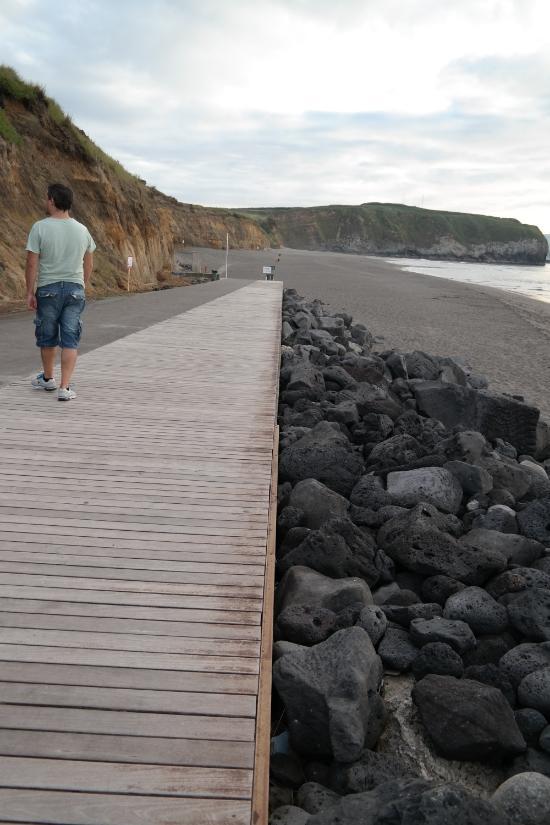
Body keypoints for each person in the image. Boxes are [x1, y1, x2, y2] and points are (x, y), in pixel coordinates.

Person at [25, 183, 96, 400]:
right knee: (70, 338)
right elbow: (89, 263)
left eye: (47, 198)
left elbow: (31, 264)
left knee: (47, 335)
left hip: (48, 289)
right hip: (75, 289)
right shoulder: (82, 230)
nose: (45, 201)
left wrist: (30, 291)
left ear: (53, 201)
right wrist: (81, 284)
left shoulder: (40, 227)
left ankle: (48, 379)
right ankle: (65, 388)